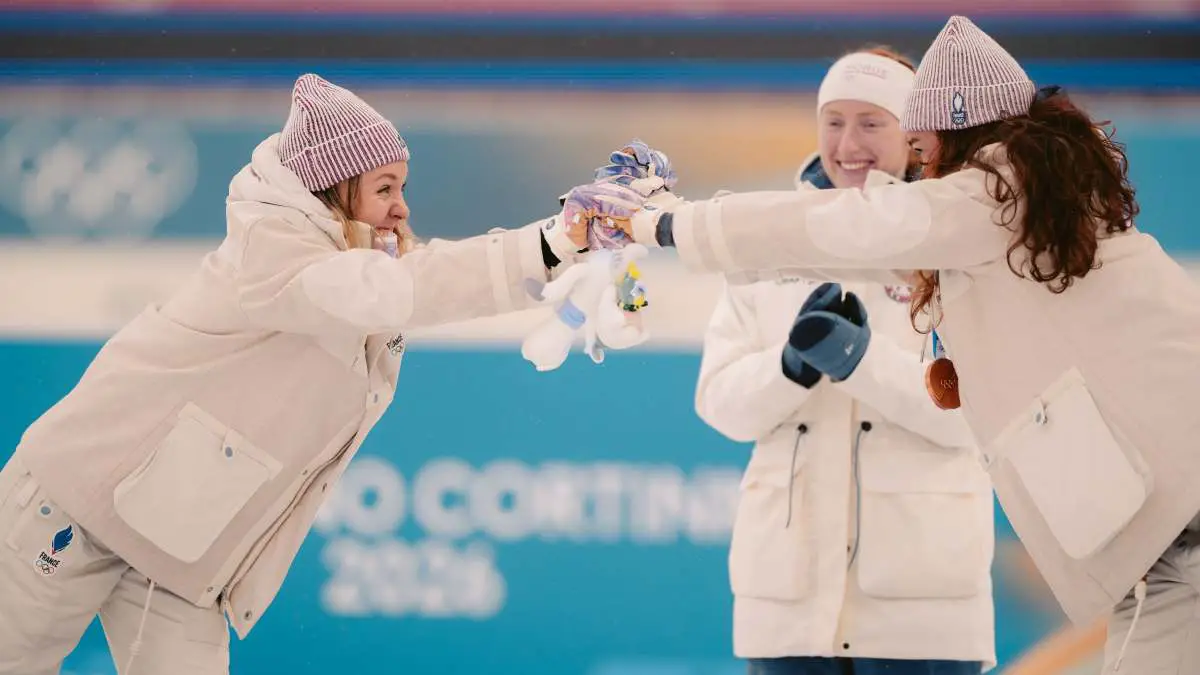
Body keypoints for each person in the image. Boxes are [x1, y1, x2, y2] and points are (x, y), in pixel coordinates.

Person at [582, 14, 1200, 675]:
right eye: (835, 122)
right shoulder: (1038, 202)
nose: (917, 159)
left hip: (1164, 543)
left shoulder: (986, 197)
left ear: (955, 132)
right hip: (1169, 534)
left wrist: (661, 224)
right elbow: (846, 246)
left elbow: (852, 234)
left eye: (916, 139)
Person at [0, 73, 634, 674]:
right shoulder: (275, 249)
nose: (400, 207)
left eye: (402, 188)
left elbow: (409, 281)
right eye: (384, 188)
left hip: (180, 544)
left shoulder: (353, 259)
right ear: (334, 187)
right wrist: (547, 243)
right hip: (74, 502)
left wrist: (562, 253)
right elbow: (390, 290)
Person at [694, 47, 994, 675]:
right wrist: (790, 369)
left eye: (871, 122)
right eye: (833, 120)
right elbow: (720, 405)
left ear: (913, 138)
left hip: (923, 619)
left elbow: (977, 419)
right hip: (787, 615)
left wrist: (861, 360)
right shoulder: (768, 239)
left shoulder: (963, 241)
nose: (848, 142)